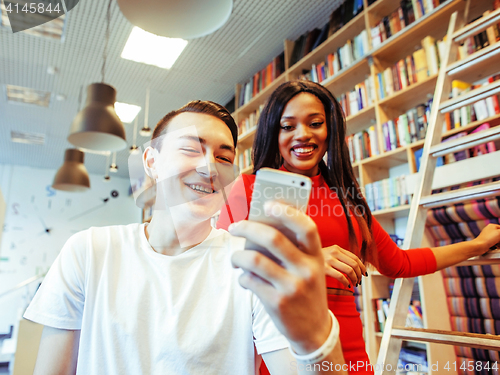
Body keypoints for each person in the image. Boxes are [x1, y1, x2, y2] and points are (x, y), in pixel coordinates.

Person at [23, 100, 349, 375]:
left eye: (224, 157)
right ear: (151, 161)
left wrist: (316, 333)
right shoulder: (90, 251)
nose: (210, 168)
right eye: (192, 148)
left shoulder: (251, 265)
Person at [217, 81, 500, 375]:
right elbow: (220, 270)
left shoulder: (348, 198)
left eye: (315, 123)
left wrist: (476, 246)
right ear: (273, 134)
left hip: (349, 349)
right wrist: (307, 260)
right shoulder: (249, 189)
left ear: (331, 130)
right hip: (279, 349)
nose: (302, 134)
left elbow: (399, 263)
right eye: (287, 126)